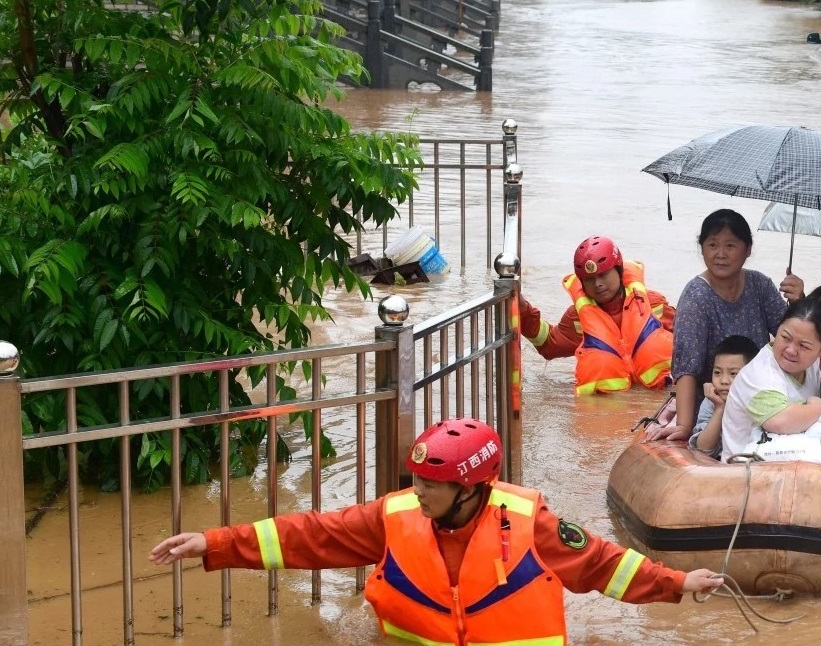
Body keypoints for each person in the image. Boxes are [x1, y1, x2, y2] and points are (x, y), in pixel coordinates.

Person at [148, 418, 724, 645]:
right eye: (417, 478)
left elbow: (601, 564)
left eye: (432, 483)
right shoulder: (394, 516)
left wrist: (676, 582)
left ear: (472, 488)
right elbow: (311, 535)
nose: (418, 491)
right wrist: (214, 543)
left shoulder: (531, 523)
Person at [656, 209, 793, 442]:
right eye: (712, 245)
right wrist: (684, 425)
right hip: (714, 400)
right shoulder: (696, 296)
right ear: (702, 248)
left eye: (730, 246)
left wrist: (799, 300)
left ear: (747, 250)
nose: (720, 254)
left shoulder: (759, 285)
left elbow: (790, 338)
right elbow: (687, 366)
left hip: (760, 395)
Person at [518, 236, 676, 395]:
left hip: (660, 396)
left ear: (619, 270)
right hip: (611, 407)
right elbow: (548, 345)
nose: (598, 284)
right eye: (589, 279)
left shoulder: (652, 303)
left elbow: (690, 337)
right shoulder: (577, 317)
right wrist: (523, 309)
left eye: (603, 275)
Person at [720, 296, 821, 462]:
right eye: (785, 337)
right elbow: (781, 422)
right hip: (745, 474)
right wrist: (818, 406)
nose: (791, 350)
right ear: (777, 330)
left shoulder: (817, 365)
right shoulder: (760, 374)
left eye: (803, 346)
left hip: (793, 469)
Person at [690, 335, 760, 458]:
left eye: (733, 373)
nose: (723, 381)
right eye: (717, 373)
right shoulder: (711, 401)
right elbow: (703, 449)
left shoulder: (762, 398)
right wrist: (719, 409)